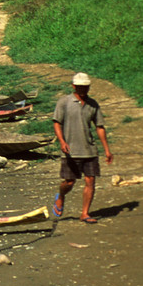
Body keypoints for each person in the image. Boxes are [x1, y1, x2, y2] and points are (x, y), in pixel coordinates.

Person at [53, 72, 112, 223]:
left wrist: (106, 150)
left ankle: (85, 213)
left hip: (89, 149)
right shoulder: (64, 102)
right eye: (80, 87)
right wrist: (62, 141)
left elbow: (99, 126)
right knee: (69, 182)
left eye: (85, 87)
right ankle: (61, 196)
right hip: (70, 150)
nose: (83, 90)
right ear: (73, 86)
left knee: (90, 180)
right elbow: (57, 122)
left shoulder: (93, 104)